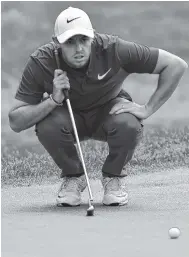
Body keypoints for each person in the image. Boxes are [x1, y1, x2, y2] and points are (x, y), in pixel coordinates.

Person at [9, 7, 188, 207]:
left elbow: (176, 65)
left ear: (93, 37)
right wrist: (53, 99)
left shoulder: (114, 49)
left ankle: (113, 178)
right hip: (67, 116)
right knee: (47, 125)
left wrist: (148, 109)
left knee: (128, 123)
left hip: (108, 112)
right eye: (70, 42)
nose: (78, 49)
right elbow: (16, 121)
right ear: (56, 42)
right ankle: (73, 177)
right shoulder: (41, 61)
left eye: (83, 40)